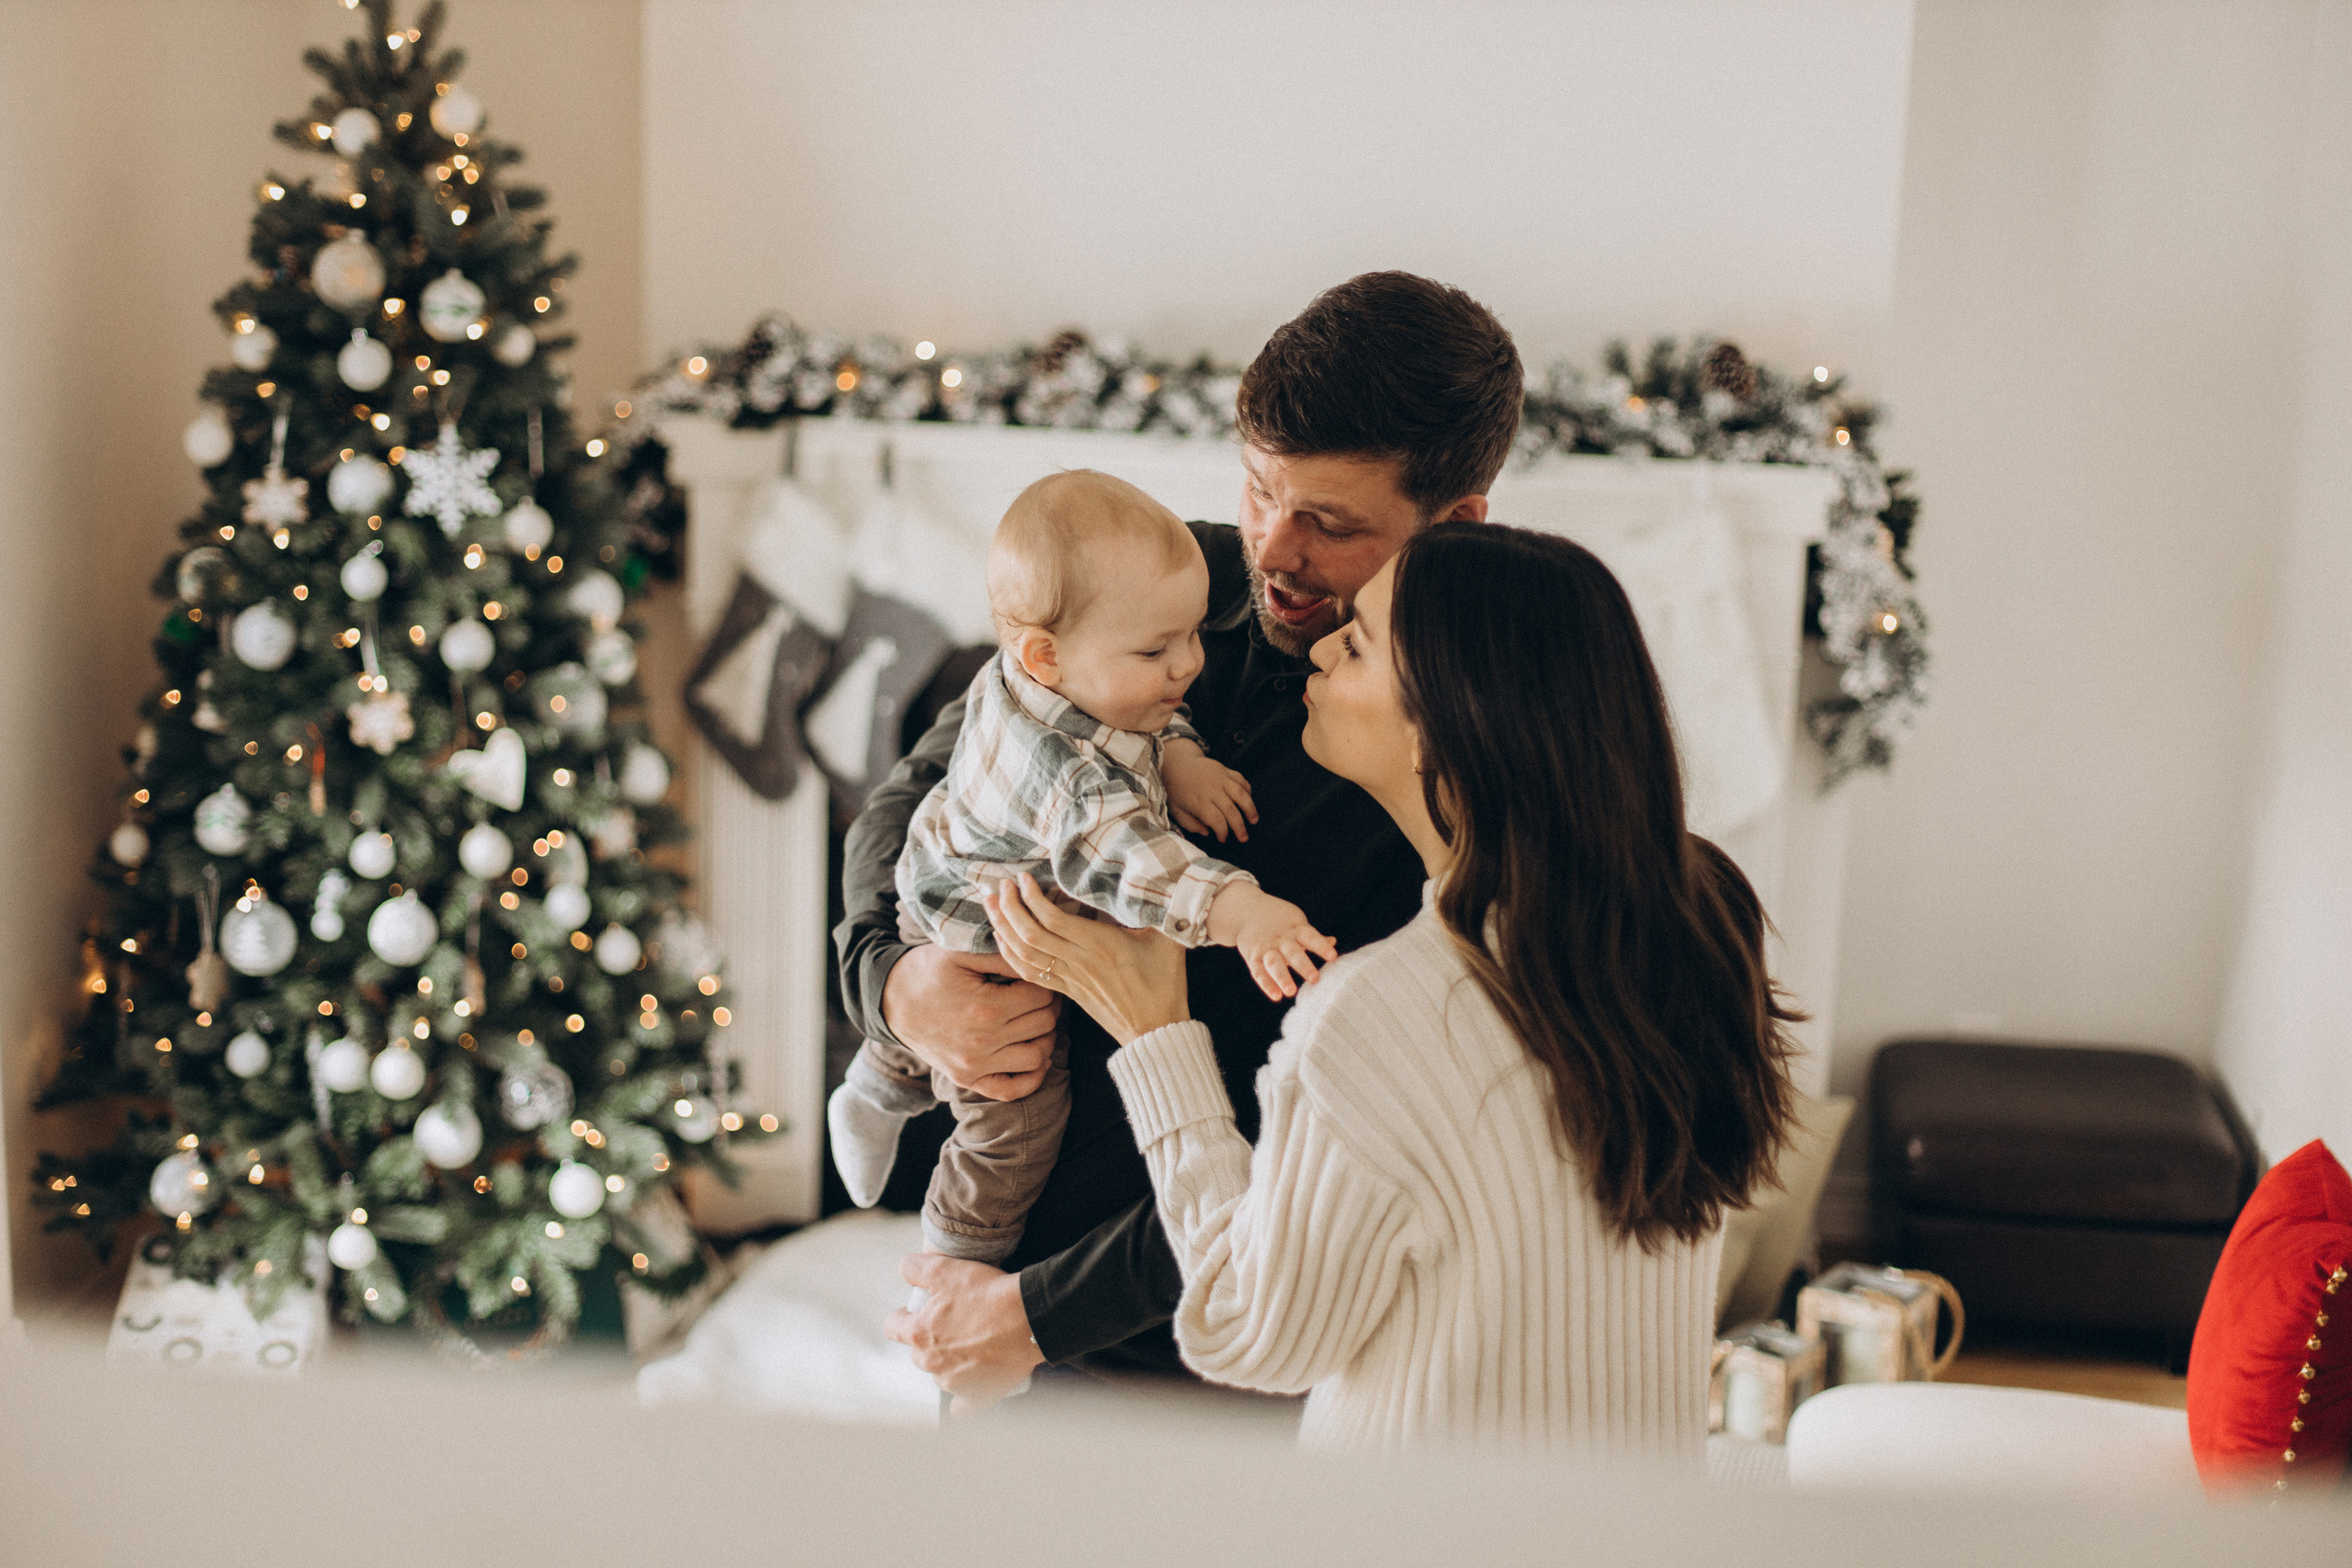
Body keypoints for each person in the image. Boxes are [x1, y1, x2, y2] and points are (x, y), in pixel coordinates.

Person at [833, 272, 1521, 1404]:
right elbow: (916, 800)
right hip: (1002, 1271)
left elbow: (1338, 1146)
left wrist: (1039, 1315)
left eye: (1330, 524)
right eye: (1259, 491)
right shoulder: (1150, 580)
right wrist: (896, 988)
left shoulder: (1453, 766)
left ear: (1454, 526)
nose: (1274, 551)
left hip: (1211, 1338)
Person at [984, 526, 1802, 1451]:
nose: (1322, 646)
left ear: (1435, 728)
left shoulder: (1378, 1010)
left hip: (1419, 1515)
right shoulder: (1703, 915)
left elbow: (1252, 1331)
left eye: (1360, 644)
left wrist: (1155, 1034)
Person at [827, 469, 1335, 1269]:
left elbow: (1136, 718)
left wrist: (1179, 757)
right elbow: (1144, 868)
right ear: (1044, 654)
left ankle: (876, 1084)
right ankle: (954, 1248)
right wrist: (1246, 914)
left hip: (947, 884)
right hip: (985, 943)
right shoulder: (1070, 783)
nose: (1189, 664)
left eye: (1193, 635)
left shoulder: (1055, 664)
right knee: (1020, 1117)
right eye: (1158, 649)